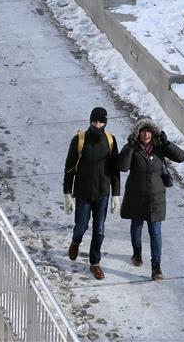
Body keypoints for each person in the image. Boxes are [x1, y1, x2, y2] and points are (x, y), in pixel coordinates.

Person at [118, 117, 184, 280]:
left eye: (149, 131)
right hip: (136, 196)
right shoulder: (133, 147)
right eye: (143, 131)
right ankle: (137, 253)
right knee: (136, 226)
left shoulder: (160, 147)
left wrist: (167, 143)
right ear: (138, 133)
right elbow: (123, 166)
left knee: (155, 233)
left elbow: (181, 157)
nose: (146, 134)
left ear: (153, 133)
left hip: (156, 198)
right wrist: (129, 147)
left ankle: (156, 268)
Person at [62, 106, 121, 280]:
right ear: (90, 121)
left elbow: (115, 170)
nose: (98, 125)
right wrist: (67, 193)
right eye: (95, 121)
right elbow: (69, 168)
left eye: (101, 122)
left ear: (105, 122)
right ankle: (76, 241)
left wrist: (116, 194)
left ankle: (95, 263)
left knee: (100, 230)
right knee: (81, 225)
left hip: (102, 193)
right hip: (83, 192)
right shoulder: (79, 140)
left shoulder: (110, 141)